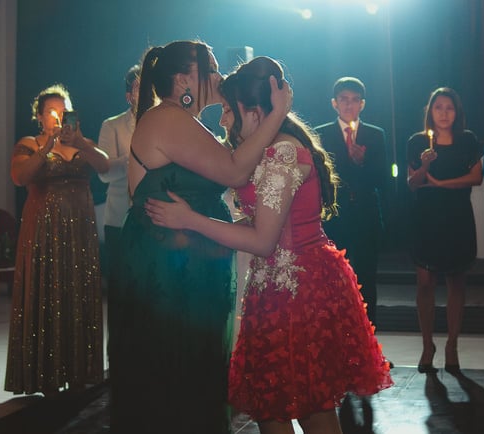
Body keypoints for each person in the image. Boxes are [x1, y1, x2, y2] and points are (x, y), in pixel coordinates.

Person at [144, 55, 392, 434]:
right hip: (273, 288)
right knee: (270, 407)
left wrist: (191, 220)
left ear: (255, 112)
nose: (223, 120)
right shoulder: (269, 149)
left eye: (229, 110)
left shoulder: (283, 154)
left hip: (300, 290)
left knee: (311, 408)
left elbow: (262, 240)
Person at [109, 40, 291, 434]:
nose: (218, 74)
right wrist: (277, 116)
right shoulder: (167, 118)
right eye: (209, 67)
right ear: (182, 80)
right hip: (167, 273)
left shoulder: (185, 123)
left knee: (191, 372)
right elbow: (234, 172)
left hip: (187, 267)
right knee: (174, 374)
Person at [6, 83, 111, 396]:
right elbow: (20, 177)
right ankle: (46, 375)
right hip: (45, 231)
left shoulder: (81, 142)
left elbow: (104, 166)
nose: (58, 116)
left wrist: (80, 142)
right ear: (39, 116)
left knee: (77, 290)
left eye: (63, 110)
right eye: (52, 111)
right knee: (47, 291)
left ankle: (79, 372)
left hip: (79, 229)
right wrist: (47, 146)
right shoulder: (30, 142)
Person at [405, 87, 483, 374]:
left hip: (457, 216)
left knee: (456, 282)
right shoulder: (417, 142)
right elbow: (412, 183)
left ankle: (452, 344)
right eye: (438, 107)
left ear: (457, 112)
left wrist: (441, 184)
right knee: (425, 282)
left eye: (449, 107)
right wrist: (425, 166)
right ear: (431, 111)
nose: (444, 113)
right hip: (426, 218)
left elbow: (476, 177)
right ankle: (428, 344)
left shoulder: (468, 140)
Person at [315, 77, 389, 328]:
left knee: (367, 280)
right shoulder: (321, 134)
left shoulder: (375, 135)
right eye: (344, 100)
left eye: (355, 100)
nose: (349, 105)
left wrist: (362, 162)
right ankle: (337, 341)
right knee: (334, 280)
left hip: (367, 217)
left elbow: (384, 181)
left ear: (362, 104)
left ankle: (370, 345)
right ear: (334, 103)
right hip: (336, 218)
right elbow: (319, 179)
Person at [96, 64, 139, 283]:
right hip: (119, 216)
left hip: (156, 217)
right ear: (129, 96)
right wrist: (133, 158)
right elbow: (104, 174)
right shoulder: (112, 125)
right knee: (120, 287)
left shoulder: (166, 123)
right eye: (140, 87)